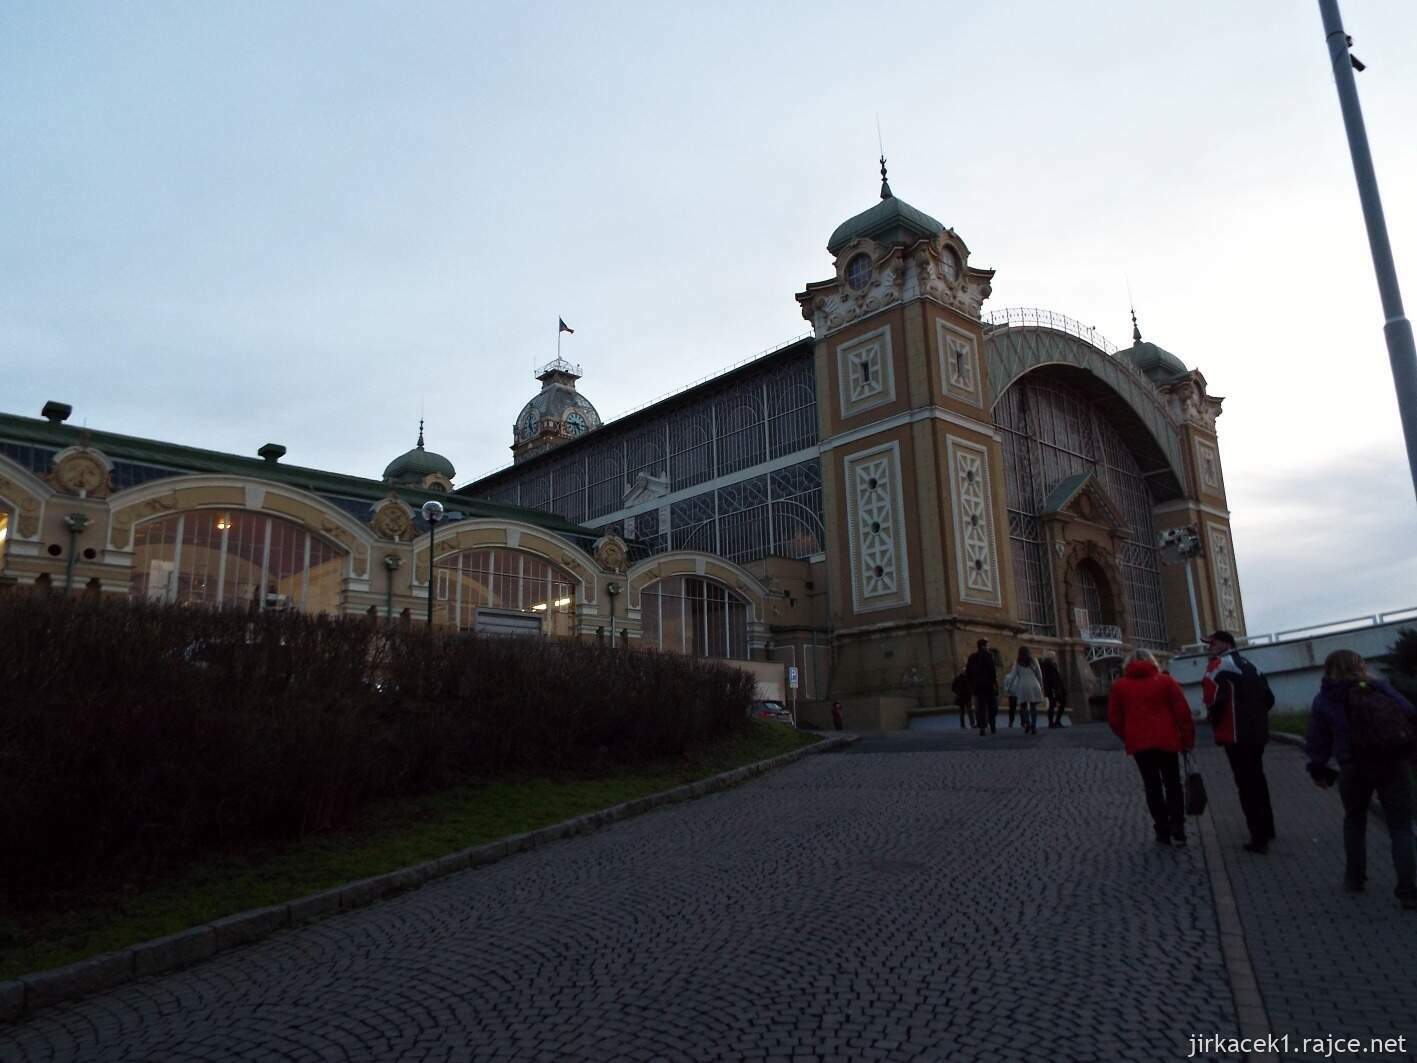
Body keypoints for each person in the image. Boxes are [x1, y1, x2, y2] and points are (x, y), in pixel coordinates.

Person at [1305, 650, 1417, 907]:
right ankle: (1408, 890)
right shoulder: (1380, 687)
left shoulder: (1325, 698)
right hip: (1392, 763)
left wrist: (1318, 769)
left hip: (1353, 767)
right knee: (1401, 828)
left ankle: (1355, 879)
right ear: (1360, 666)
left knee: (1354, 821)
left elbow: (1317, 739)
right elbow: (1409, 711)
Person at [1109, 648, 1195, 845]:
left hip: (1140, 745)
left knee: (1152, 786)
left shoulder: (1119, 686)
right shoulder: (1166, 682)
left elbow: (1114, 720)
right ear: (1153, 661)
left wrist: (1128, 736)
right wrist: (1187, 741)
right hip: (1168, 740)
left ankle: (1162, 830)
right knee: (1173, 784)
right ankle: (1178, 826)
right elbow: (1183, 713)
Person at [1201, 629, 1276, 854]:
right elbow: (1269, 698)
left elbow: (1210, 698)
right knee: (1258, 780)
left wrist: (1216, 718)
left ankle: (1258, 838)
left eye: (1212, 643)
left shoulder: (1218, 666)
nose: (1209, 648)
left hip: (1234, 734)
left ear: (1224, 644)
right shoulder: (1252, 665)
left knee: (1246, 785)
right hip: (1258, 733)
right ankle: (1268, 827)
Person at [1004, 646, 1044, 735]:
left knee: (1023, 706)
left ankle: (1027, 723)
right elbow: (1039, 674)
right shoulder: (1034, 661)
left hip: (1022, 685)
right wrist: (1041, 685)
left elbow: (1012, 676)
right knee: (1033, 706)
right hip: (1034, 684)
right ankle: (1034, 726)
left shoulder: (1017, 663)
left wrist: (1008, 687)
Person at [966, 638, 998, 736]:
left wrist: (972, 684)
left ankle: (982, 727)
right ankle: (992, 726)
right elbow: (992, 671)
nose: (988, 647)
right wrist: (994, 683)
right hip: (988, 685)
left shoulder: (972, 657)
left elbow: (968, 672)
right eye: (987, 645)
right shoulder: (988, 656)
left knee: (981, 707)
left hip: (977, 686)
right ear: (984, 646)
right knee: (991, 706)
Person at [1042, 654, 1066, 728]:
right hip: (1053, 689)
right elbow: (1052, 679)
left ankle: (1055, 721)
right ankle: (1053, 722)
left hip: (1056, 689)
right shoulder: (1048, 667)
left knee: (1059, 703)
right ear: (1051, 658)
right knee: (1053, 705)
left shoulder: (1052, 666)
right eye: (1054, 657)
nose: (1056, 658)